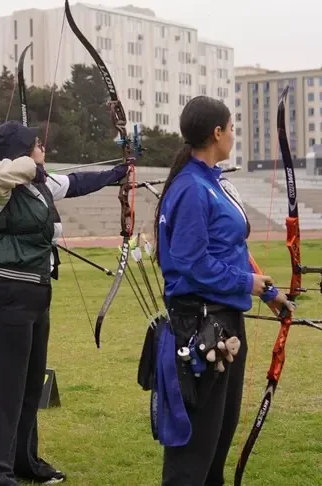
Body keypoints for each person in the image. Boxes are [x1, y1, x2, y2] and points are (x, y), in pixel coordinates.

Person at [0, 120, 128, 485]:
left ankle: (24, 462)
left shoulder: (38, 184)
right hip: (4, 295)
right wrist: (30, 160)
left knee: (28, 388)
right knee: (2, 392)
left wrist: (119, 172)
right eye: (36, 144)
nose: (43, 150)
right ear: (21, 152)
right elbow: (17, 169)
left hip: (35, 295)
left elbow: (76, 182)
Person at [153, 95, 292, 485]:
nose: (233, 135)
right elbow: (192, 263)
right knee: (194, 445)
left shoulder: (214, 182)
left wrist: (268, 292)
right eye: (231, 128)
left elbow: (232, 249)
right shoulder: (193, 189)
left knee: (218, 437)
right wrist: (247, 284)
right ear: (217, 133)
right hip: (201, 325)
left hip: (225, 321)